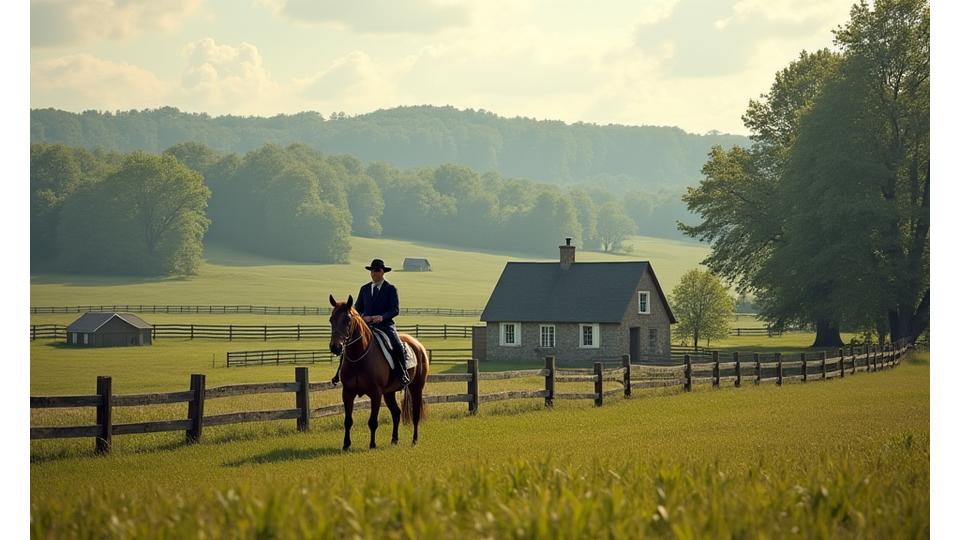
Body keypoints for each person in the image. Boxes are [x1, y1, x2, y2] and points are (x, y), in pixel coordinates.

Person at [331, 258, 411, 387]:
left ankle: (403, 372)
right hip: (366, 325)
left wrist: (382, 317)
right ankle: (338, 373)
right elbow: (357, 309)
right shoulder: (364, 289)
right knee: (349, 343)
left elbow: (395, 309)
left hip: (385, 325)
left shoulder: (390, 289)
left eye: (377, 270)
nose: (374, 273)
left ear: (383, 272)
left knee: (396, 344)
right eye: (372, 271)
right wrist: (364, 317)